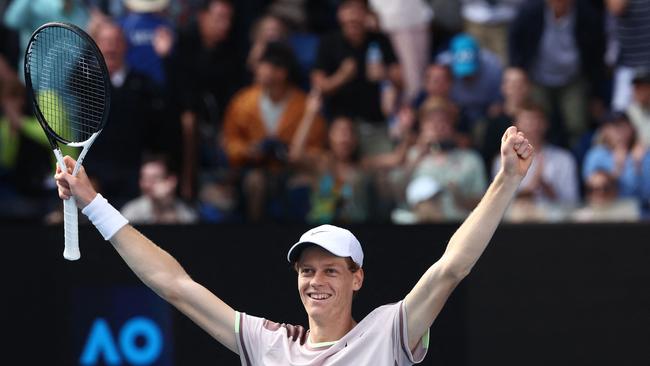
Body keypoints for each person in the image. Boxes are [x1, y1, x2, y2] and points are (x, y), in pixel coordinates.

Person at [54, 123, 534, 365]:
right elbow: (174, 285)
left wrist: (506, 180)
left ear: (357, 277)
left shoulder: (390, 332)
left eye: (330, 269)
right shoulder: (269, 344)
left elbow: (452, 266)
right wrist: (93, 201)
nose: (316, 280)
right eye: (308, 270)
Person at [222, 42, 327, 221]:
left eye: (264, 65)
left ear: (282, 72)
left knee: (306, 185)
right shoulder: (242, 102)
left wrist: (295, 155)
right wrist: (248, 150)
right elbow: (229, 143)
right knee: (255, 183)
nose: (258, 70)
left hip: (293, 170)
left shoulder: (303, 104)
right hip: (256, 168)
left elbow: (317, 148)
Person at [508, 0, 605, 148]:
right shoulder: (530, 11)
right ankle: (537, 159)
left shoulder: (587, 15)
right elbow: (515, 39)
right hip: (538, 77)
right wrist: (519, 68)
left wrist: (596, 93)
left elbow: (597, 55)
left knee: (577, 123)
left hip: (573, 79)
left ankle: (575, 161)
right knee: (537, 124)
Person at [121, 154, 197, 224]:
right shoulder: (132, 211)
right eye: (144, 179)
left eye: (154, 178)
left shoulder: (185, 211)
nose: (147, 185)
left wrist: (165, 207)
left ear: (171, 181)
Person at [571, 169, 640, 222]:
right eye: (592, 189)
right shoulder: (580, 218)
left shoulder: (627, 215)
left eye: (605, 188)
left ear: (615, 191)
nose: (599, 193)